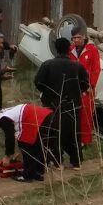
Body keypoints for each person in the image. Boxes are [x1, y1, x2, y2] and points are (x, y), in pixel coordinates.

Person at [33, 37, 89, 169]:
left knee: (54, 133)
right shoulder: (77, 66)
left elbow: (38, 82)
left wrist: (47, 92)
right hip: (73, 104)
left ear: (56, 49)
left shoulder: (47, 65)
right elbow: (86, 84)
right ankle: (76, 162)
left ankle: (57, 162)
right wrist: (76, 92)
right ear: (69, 49)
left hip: (52, 104)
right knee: (73, 133)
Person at [0, 104, 54, 182]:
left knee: (26, 145)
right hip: (45, 115)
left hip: (32, 117)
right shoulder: (5, 113)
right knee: (36, 145)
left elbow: (9, 137)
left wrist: (8, 155)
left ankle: (27, 176)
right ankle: (36, 172)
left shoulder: (2, 118)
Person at [69, 30, 101, 147]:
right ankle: (74, 138)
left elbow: (96, 69)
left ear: (83, 37)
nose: (76, 40)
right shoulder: (71, 50)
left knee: (86, 114)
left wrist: (91, 85)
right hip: (73, 86)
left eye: (78, 37)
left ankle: (85, 140)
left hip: (87, 88)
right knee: (73, 113)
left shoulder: (91, 49)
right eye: (74, 38)